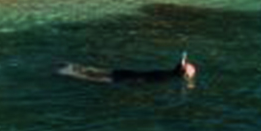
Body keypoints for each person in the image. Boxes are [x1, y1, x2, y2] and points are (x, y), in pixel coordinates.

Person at [58, 52, 198, 85]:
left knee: (100, 73)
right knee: (99, 76)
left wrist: (183, 61)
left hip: (133, 75)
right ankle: (68, 71)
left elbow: (180, 65)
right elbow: (181, 68)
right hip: (133, 78)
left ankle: (71, 68)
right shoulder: (171, 77)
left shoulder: (170, 74)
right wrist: (189, 82)